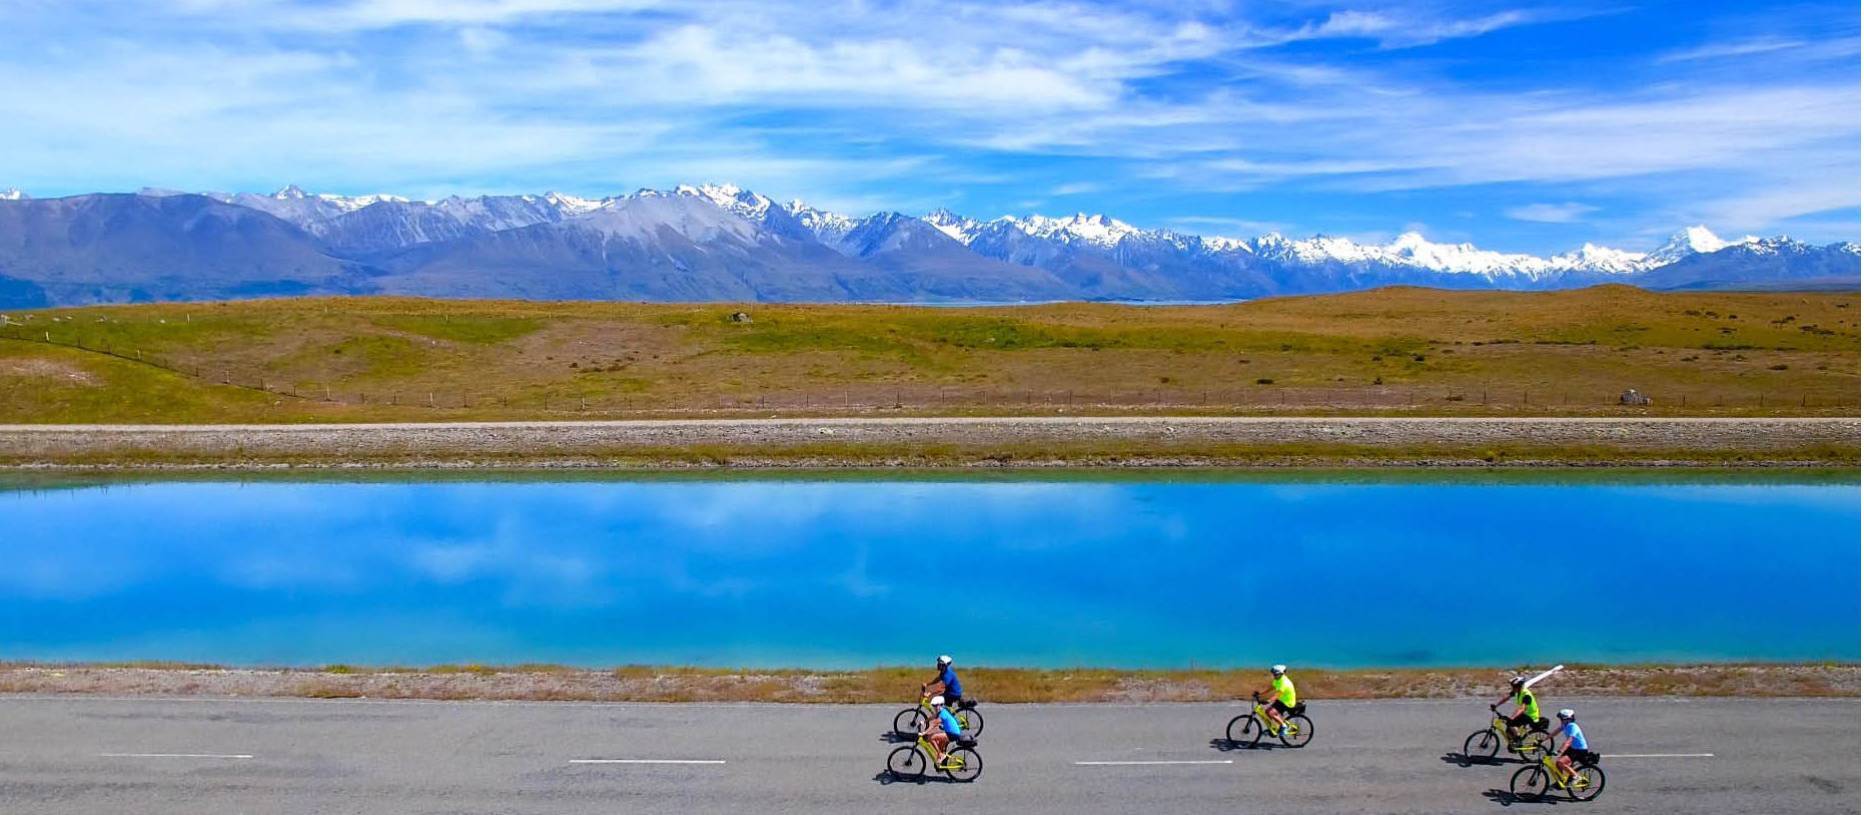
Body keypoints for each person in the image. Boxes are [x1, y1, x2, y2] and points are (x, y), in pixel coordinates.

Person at [1553, 709, 1598, 784]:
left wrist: (1560, 750)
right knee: (1558, 764)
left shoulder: (1573, 726)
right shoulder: (1565, 725)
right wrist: (1543, 740)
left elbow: (1569, 741)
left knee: (1561, 762)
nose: (1560, 720)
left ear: (1568, 719)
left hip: (1580, 750)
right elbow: (1555, 732)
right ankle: (1561, 781)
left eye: (1561, 718)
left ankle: (1577, 777)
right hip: (1572, 748)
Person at [918, 695, 965, 766]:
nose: (935, 707)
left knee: (930, 738)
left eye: (936, 705)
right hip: (951, 732)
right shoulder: (942, 710)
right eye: (933, 705)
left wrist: (924, 733)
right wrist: (924, 721)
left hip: (952, 734)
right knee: (938, 743)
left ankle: (941, 755)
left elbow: (933, 724)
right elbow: (933, 716)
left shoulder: (942, 714)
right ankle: (942, 760)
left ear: (941, 705)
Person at [1494, 676, 1541, 740]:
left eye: (1514, 687)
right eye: (1512, 686)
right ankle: (1515, 741)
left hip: (1531, 715)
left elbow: (1522, 708)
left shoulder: (1526, 695)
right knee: (1509, 728)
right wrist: (1496, 705)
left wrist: (1512, 718)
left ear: (1519, 686)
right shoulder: (1517, 691)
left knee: (1511, 724)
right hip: (1525, 714)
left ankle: (1518, 741)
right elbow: (1506, 698)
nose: (1512, 688)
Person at [1260, 665, 1297, 737]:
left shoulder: (1284, 682)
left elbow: (1277, 694)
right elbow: (1272, 687)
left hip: (1287, 702)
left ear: (1281, 673)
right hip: (1281, 700)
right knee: (1267, 712)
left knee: (1270, 712)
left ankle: (1284, 726)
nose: (1274, 675)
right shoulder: (1277, 679)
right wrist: (1261, 694)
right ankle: (1273, 728)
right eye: (1273, 674)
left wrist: (1268, 701)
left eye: (1276, 674)